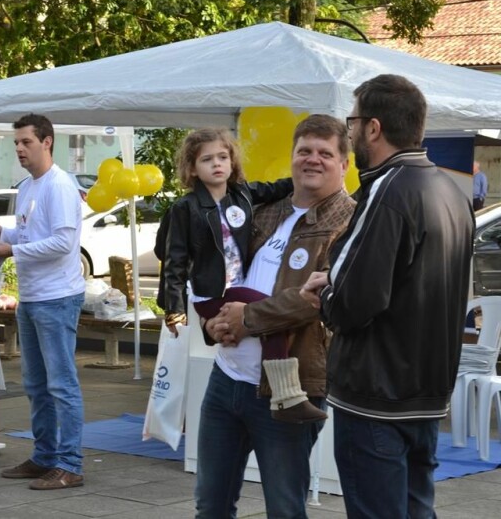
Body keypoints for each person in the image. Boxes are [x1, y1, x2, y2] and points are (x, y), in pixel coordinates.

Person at [301, 75, 474, 518]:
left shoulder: (389, 189)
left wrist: (326, 292)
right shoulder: (451, 191)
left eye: (353, 122)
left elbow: (357, 301)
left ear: (373, 128)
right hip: (426, 394)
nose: (351, 131)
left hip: (377, 395)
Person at [199, 114, 355, 518]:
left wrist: (246, 318)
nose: (313, 160)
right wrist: (212, 320)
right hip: (227, 379)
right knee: (210, 505)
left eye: (325, 153)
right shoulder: (265, 211)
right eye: (304, 150)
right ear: (292, 157)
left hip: (290, 388)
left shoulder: (351, 222)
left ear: (345, 164)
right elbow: (224, 268)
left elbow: (318, 300)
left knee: (284, 509)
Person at [161, 128, 327, 424]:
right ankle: (287, 396)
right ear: (193, 169)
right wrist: (174, 311)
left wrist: (314, 180)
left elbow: (279, 188)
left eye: (223, 157)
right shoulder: (185, 208)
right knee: (266, 312)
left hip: (235, 286)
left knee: (268, 322)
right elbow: (174, 262)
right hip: (212, 293)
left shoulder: (242, 194)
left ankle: (286, 397)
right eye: (207, 159)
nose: (217, 164)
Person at [0, 113, 86, 490]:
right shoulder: (29, 186)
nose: (19, 149)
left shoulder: (59, 185)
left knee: (61, 385)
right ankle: (45, 457)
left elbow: (62, 242)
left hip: (57, 297)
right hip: (34, 297)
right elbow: (30, 233)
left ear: (47, 142)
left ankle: (70, 463)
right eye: (16, 143)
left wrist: (11, 249)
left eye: (26, 142)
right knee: (37, 385)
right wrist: (0, 231)